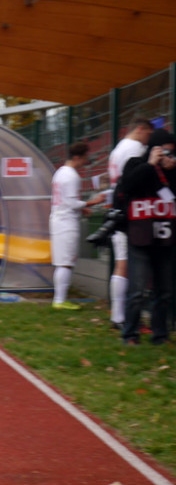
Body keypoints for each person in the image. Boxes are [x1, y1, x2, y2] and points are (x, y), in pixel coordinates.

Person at [115, 128, 176, 345]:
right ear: (153, 149)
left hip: (165, 237)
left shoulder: (173, 170)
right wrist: (150, 165)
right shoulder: (135, 164)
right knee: (137, 290)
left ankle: (160, 334)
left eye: (172, 152)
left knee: (165, 291)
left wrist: (170, 171)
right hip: (140, 235)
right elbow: (129, 184)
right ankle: (130, 334)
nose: (169, 156)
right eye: (165, 151)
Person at [105, 118, 154, 327]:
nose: (148, 141)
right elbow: (137, 178)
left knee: (121, 265)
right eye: (148, 135)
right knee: (127, 266)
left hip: (117, 207)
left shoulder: (117, 149)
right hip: (131, 210)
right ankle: (121, 317)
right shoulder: (135, 148)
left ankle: (117, 314)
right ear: (141, 129)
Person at [50, 142, 106, 309]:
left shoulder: (60, 172)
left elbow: (65, 201)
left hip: (58, 219)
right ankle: (60, 300)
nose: (85, 162)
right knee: (66, 262)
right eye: (84, 158)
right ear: (76, 157)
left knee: (62, 261)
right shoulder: (72, 176)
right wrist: (92, 202)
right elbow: (72, 203)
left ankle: (59, 299)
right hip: (66, 222)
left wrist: (83, 209)